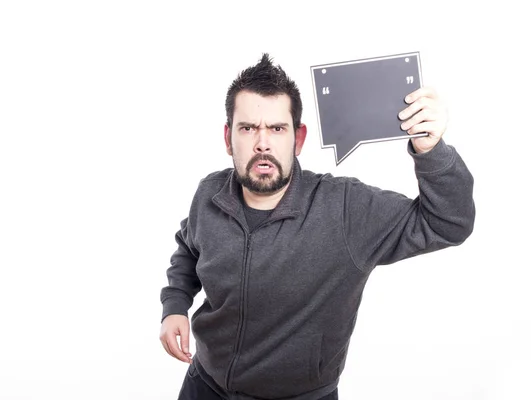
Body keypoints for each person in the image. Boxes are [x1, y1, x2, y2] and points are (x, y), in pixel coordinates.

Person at [159, 53, 476, 400]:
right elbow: (188, 247)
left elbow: (448, 222)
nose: (262, 143)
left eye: (277, 129)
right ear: (227, 137)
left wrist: (431, 150)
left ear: (297, 138)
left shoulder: (344, 209)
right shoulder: (209, 193)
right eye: (248, 128)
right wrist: (175, 304)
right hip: (204, 386)